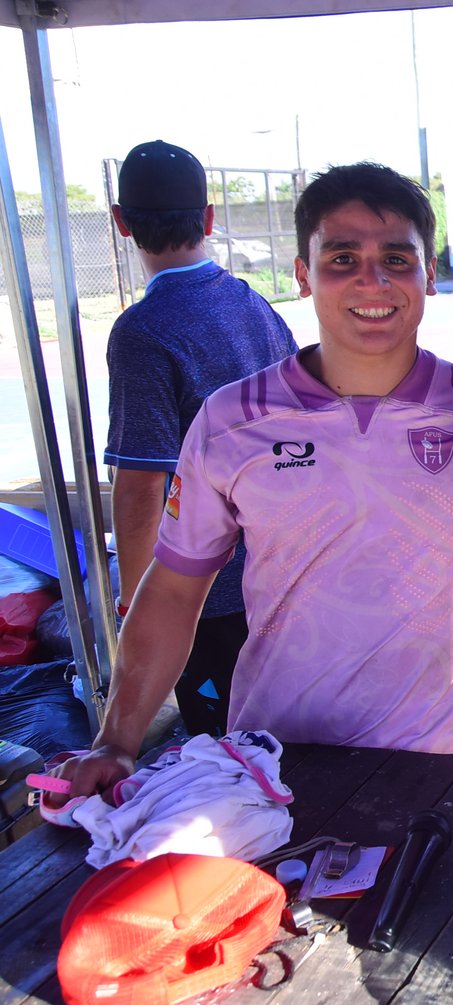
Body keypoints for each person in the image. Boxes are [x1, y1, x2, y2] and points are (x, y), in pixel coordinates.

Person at [51, 162, 453, 801]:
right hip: (279, 760)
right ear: (303, 274)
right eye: (342, 258)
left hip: (443, 753)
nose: (372, 280)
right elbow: (174, 589)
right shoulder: (231, 421)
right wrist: (115, 741)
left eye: (396, 259)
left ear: (428, 274)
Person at [102, 140, 298, 738]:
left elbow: (141, 485)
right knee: (288, 743)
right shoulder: (254, 305)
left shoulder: (141, 332)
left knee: (228, 753)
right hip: (282, 571)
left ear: (120, 222)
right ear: (209, 219)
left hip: (204, 595)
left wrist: (137, 603)